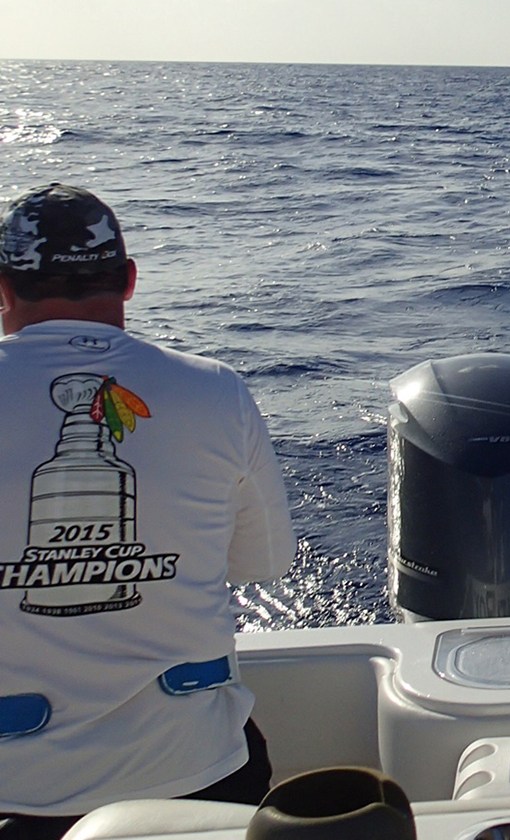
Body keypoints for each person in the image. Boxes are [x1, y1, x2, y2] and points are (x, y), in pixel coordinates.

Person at [0, 184, 296, 838]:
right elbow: (266, 564)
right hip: (200, 780)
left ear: (2, 287)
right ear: (129, 281)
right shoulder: (216, 392)